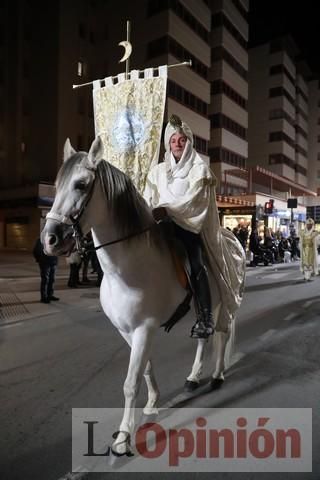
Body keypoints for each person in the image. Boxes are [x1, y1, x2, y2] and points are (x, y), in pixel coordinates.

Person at [144, 114, 216, 339]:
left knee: (195, 264)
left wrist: (168, 210)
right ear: (167, 143)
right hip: (159, 224)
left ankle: (205, 317)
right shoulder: (157, 171)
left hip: (186, 226)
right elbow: (148, 197)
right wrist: (147, 212)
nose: (177, 143)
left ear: (189, 142)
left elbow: (195, 201)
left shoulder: (199, 169)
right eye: (173, 139)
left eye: (182, 139)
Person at [32, 237, 59, 303]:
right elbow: (35, 251)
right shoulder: (41, 239)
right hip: (45, 263)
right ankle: (44, 297)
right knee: (45, 280)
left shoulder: (55, 238)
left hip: (53, 262)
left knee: (52, 279)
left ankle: (50, 295)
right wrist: (40, 260)